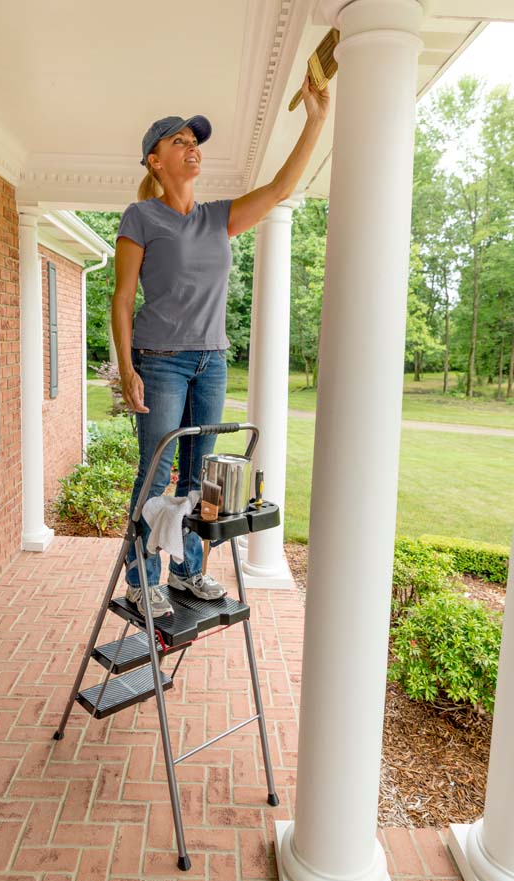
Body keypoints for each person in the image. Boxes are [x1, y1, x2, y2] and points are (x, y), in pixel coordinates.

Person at [112, 75, 330, 618]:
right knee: (156, 474)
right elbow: (119, 300)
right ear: (155, 161)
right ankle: (143, 579)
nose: (192, 149)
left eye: (195, 142)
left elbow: (280, 189)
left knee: (199, 476)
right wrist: (125, 368)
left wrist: (316, 118)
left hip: (211, 361)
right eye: (179, 142)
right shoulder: (141, 217)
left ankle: (188, 573)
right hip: (159, 362)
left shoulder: (217, 218)